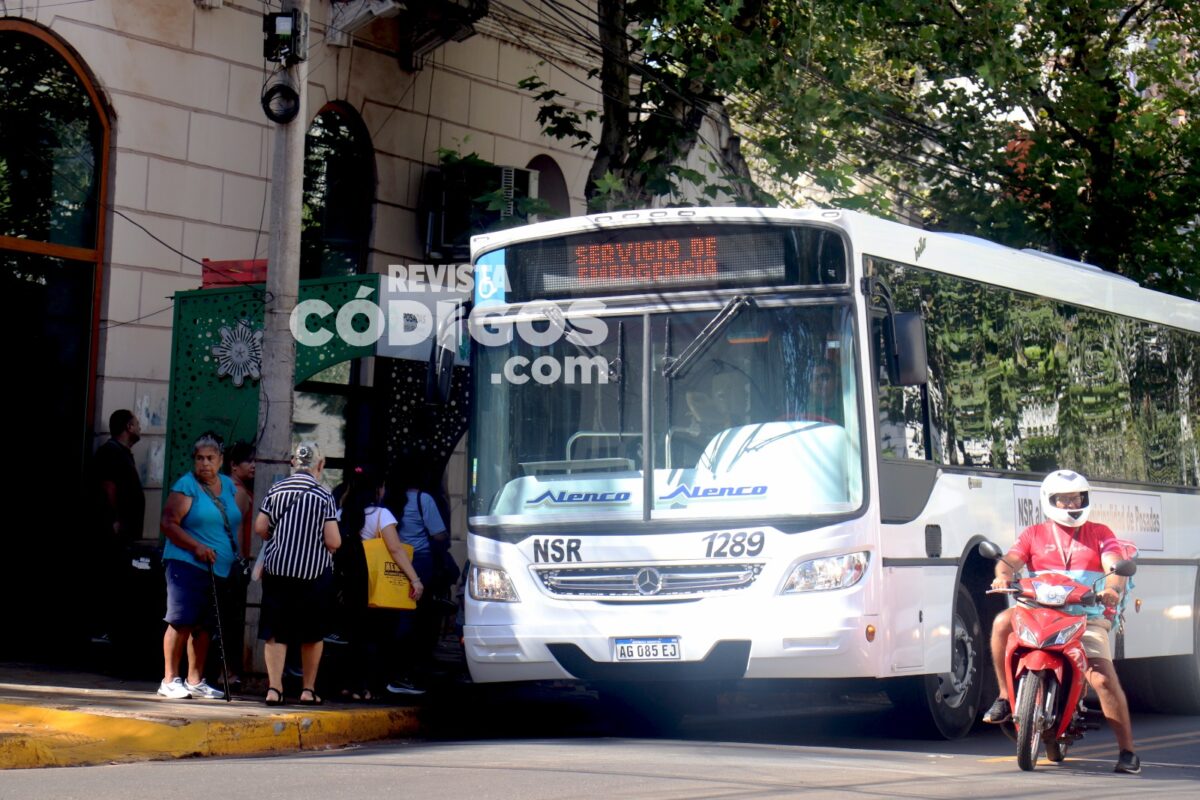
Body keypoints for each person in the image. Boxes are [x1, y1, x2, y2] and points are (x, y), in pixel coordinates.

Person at [983, 469, 1140, 774]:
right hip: (1038, 611)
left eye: (1077, 498)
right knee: (1002, 622)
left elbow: (1114, 565)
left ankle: (1128, 752)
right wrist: (1002, 578)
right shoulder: (1034, 535)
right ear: (1050, 501)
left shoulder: (1101, 533)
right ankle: (1004, 696)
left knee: (1103, 679)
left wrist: (1111, 589)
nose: (1072, 504)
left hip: (1086, 616)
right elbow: (1010, 563)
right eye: (1064, 499)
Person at [253, 442, 341, 706]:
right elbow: (334, 541)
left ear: (293, 462)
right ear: (320, 465)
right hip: (313, 576)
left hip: (278, 574)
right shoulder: (323, 495)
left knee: (276, 633)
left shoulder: (277, 489)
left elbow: (260, 526)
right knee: (312, 635)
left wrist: (272, 536)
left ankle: (274, 689)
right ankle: (307, 690)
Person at [158, 432, 242, 700]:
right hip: (187, 563)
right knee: (181, 621)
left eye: (210, 458)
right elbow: (169, 523)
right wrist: (197, 547)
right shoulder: (187, 486)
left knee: (205, 627)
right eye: (199, 458)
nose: (205, 463)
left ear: (220, 460)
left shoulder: (228, 486)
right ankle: (169, 680)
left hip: (217, 568)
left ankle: (195, 680)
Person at [335, 467, 423, 700]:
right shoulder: (381, 515)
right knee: (374, 635)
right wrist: (414, 578)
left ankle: (348, 685)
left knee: (352, 633)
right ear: (376, 489)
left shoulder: (342, 512)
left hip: (349, 579)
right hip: (374, 581)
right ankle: (366, 686)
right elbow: (394, 549)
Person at [383, 463, 448, 695]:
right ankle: (405, 673)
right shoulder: (424, 500)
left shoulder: (388, 500)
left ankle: (390, 671)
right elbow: (438, 534)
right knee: (415, 618)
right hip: (419, 562)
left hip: (389, 563)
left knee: (394, 616)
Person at [88, 409, 144, 644]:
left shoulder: (124, 453)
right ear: (128, 427)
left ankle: (111, 628)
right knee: (109, 577)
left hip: (124, 530)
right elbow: (109, 487)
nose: (140, 428)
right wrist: (116, 518)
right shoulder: (111, 453)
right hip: (113, 531)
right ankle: (103, 629)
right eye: (137, 423)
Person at [218, 440, 256, 689]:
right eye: (249, 461)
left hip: (221, 562)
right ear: (233, 465)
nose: (254, 465)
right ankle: (227, 672)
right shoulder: (238, 491)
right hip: (232, 563)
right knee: (231, 622)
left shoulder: (222, 488)